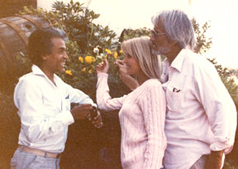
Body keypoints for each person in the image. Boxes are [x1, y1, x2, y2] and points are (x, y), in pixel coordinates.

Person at [116, 10, 237, 169]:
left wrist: (216, 157)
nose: (151, 38)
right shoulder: (166, 69)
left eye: (156, 33)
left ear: (173, 38)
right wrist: (129, 80)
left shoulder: (197, 66)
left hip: (192, 161)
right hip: (170, 162)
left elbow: (224, 111)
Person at [10, 27, 103, 169]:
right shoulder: (30, 84)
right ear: (44, 54)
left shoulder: (59, 84)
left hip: (51, 161)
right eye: (61, 51)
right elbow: (33, 133)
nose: (66, 56)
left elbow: (83, 97)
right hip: (34, 161)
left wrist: (93, 110)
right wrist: (71, 115)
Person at [96, 36, 167, 169]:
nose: (124, 60)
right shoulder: (137, 93)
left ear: (142, 57)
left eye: (129, 56)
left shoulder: (153, 87)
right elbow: (104, 104)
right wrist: (102, 75)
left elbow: (157, 138)